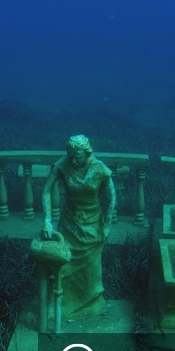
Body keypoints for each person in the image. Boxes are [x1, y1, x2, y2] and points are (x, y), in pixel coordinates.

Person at [41, 134, 116, 316]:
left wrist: (106, 225)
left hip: (92, 226)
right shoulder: (62, 165)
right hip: (68, 224)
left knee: (91, 271)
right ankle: (61, 304)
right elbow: (46, 191)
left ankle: (90, 304)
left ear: (87, 153)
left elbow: (112, 197)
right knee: (63, 265)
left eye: (78, 157)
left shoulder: (100, 169)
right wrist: (47, 220)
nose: (73, 160)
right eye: (70, 156)